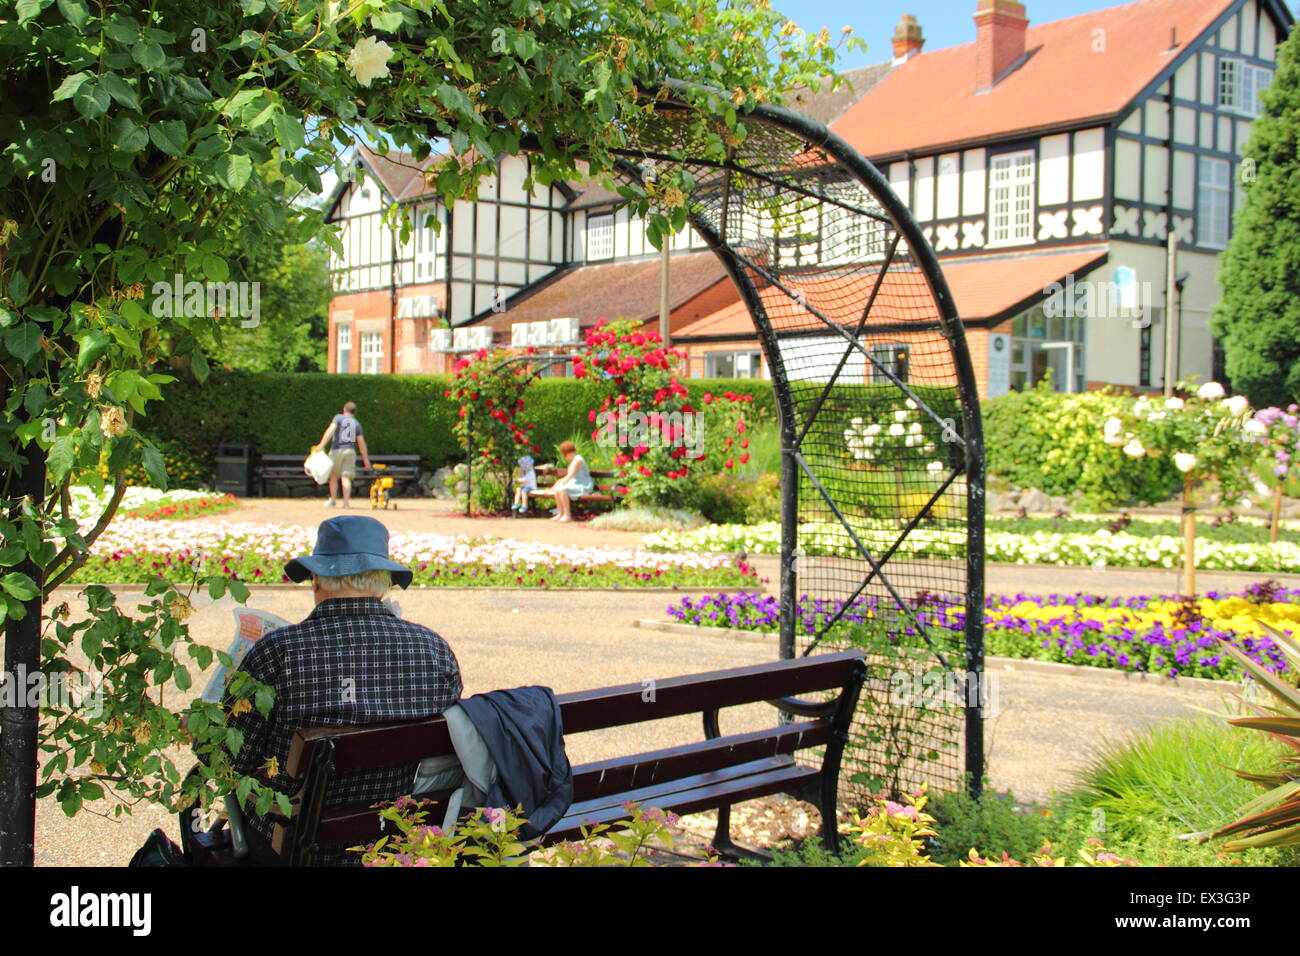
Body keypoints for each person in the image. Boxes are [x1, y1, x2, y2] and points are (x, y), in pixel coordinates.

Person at [194, 515, 462, 866]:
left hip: (291, 846)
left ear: (317, 580)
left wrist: (199, 728)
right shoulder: (433, 650)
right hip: (389, 838)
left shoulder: (279, 652)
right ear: (383, 585)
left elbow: (228, 759)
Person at [314, 401, 371, 508]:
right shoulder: (357, 424)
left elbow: (330, 431)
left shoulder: (339, 418)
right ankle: (346, 503)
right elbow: (361, 444)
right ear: (355, 413)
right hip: (350, 451)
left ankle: (333, 500)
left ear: (344, 410)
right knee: (346, 477)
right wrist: (366, 460)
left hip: (336, 450)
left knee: (333, 476)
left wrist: (321, 445)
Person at [543, 440, 592, 522]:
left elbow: (570, 476)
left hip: (583, 485)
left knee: (561, 489)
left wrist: (557, 484)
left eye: (564, 454)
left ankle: (567, 515)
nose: (564, 457)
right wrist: (557, 484)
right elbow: (568, 478)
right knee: (558, 490)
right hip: (574, 484)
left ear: (567, 453)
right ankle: (560, 514)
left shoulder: (578, 460)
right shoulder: (573, 461)